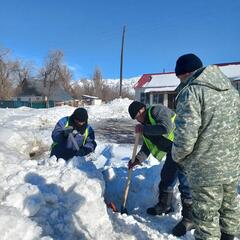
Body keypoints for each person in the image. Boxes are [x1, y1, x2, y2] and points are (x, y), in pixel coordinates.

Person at [172, 53, 240, 240]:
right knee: (230, 210)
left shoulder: (192, 92)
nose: (180, 82)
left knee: (206, 219)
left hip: (205, 170)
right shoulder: (232, 92)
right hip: (232, 167)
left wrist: (177, 156)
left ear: (185, 73)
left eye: (179, 77)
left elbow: (185, 137)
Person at [128, 100, 194, 236]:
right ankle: (165, 205)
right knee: (167, 176)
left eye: (137, 117)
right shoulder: (145, 125)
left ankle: (190, 218)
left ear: (141, 111)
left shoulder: (156, 111)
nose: (138, 121)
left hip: (183, 146)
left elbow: (166, 128)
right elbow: (147, 146)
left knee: (185, 181)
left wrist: (144, 129)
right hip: (172, 151)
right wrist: (137, 160)